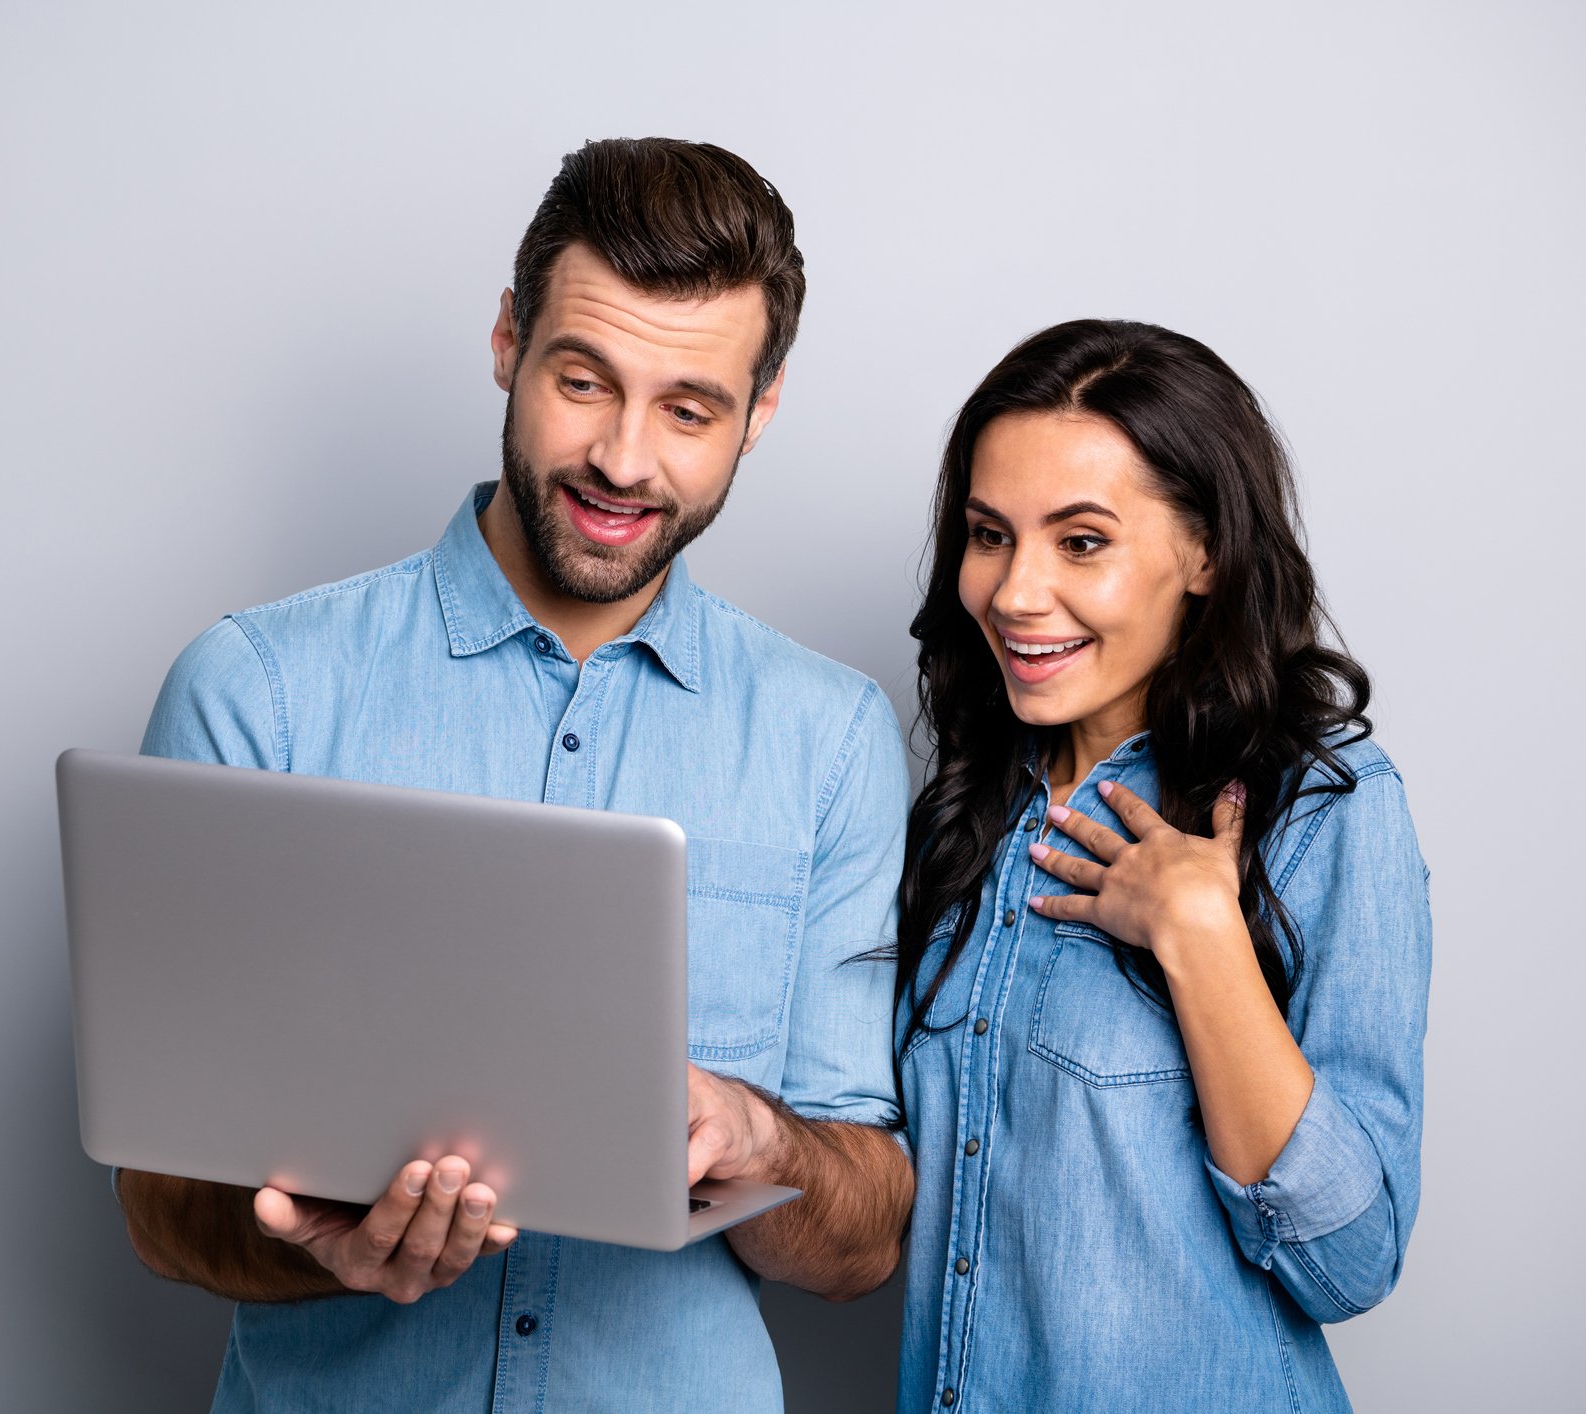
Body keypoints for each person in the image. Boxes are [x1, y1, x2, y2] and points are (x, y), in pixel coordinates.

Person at [114, 138, 914, 1413]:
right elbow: (159, 1209)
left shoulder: (833, 740)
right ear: (506, 341)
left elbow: (863, 1240)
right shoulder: (255, 689)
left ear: (760, 414)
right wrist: (322, 1245)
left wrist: (766, 1139)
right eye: (583, 379)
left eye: (691, 408)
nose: (623, 459)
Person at [892, 320, 1430, 1413]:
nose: (1014, 592)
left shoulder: (1325, 811)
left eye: (1080, 542)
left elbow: (1352, 1259)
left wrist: (1203, 939)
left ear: (1205, 553)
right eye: (990, 534)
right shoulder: (972, 806)